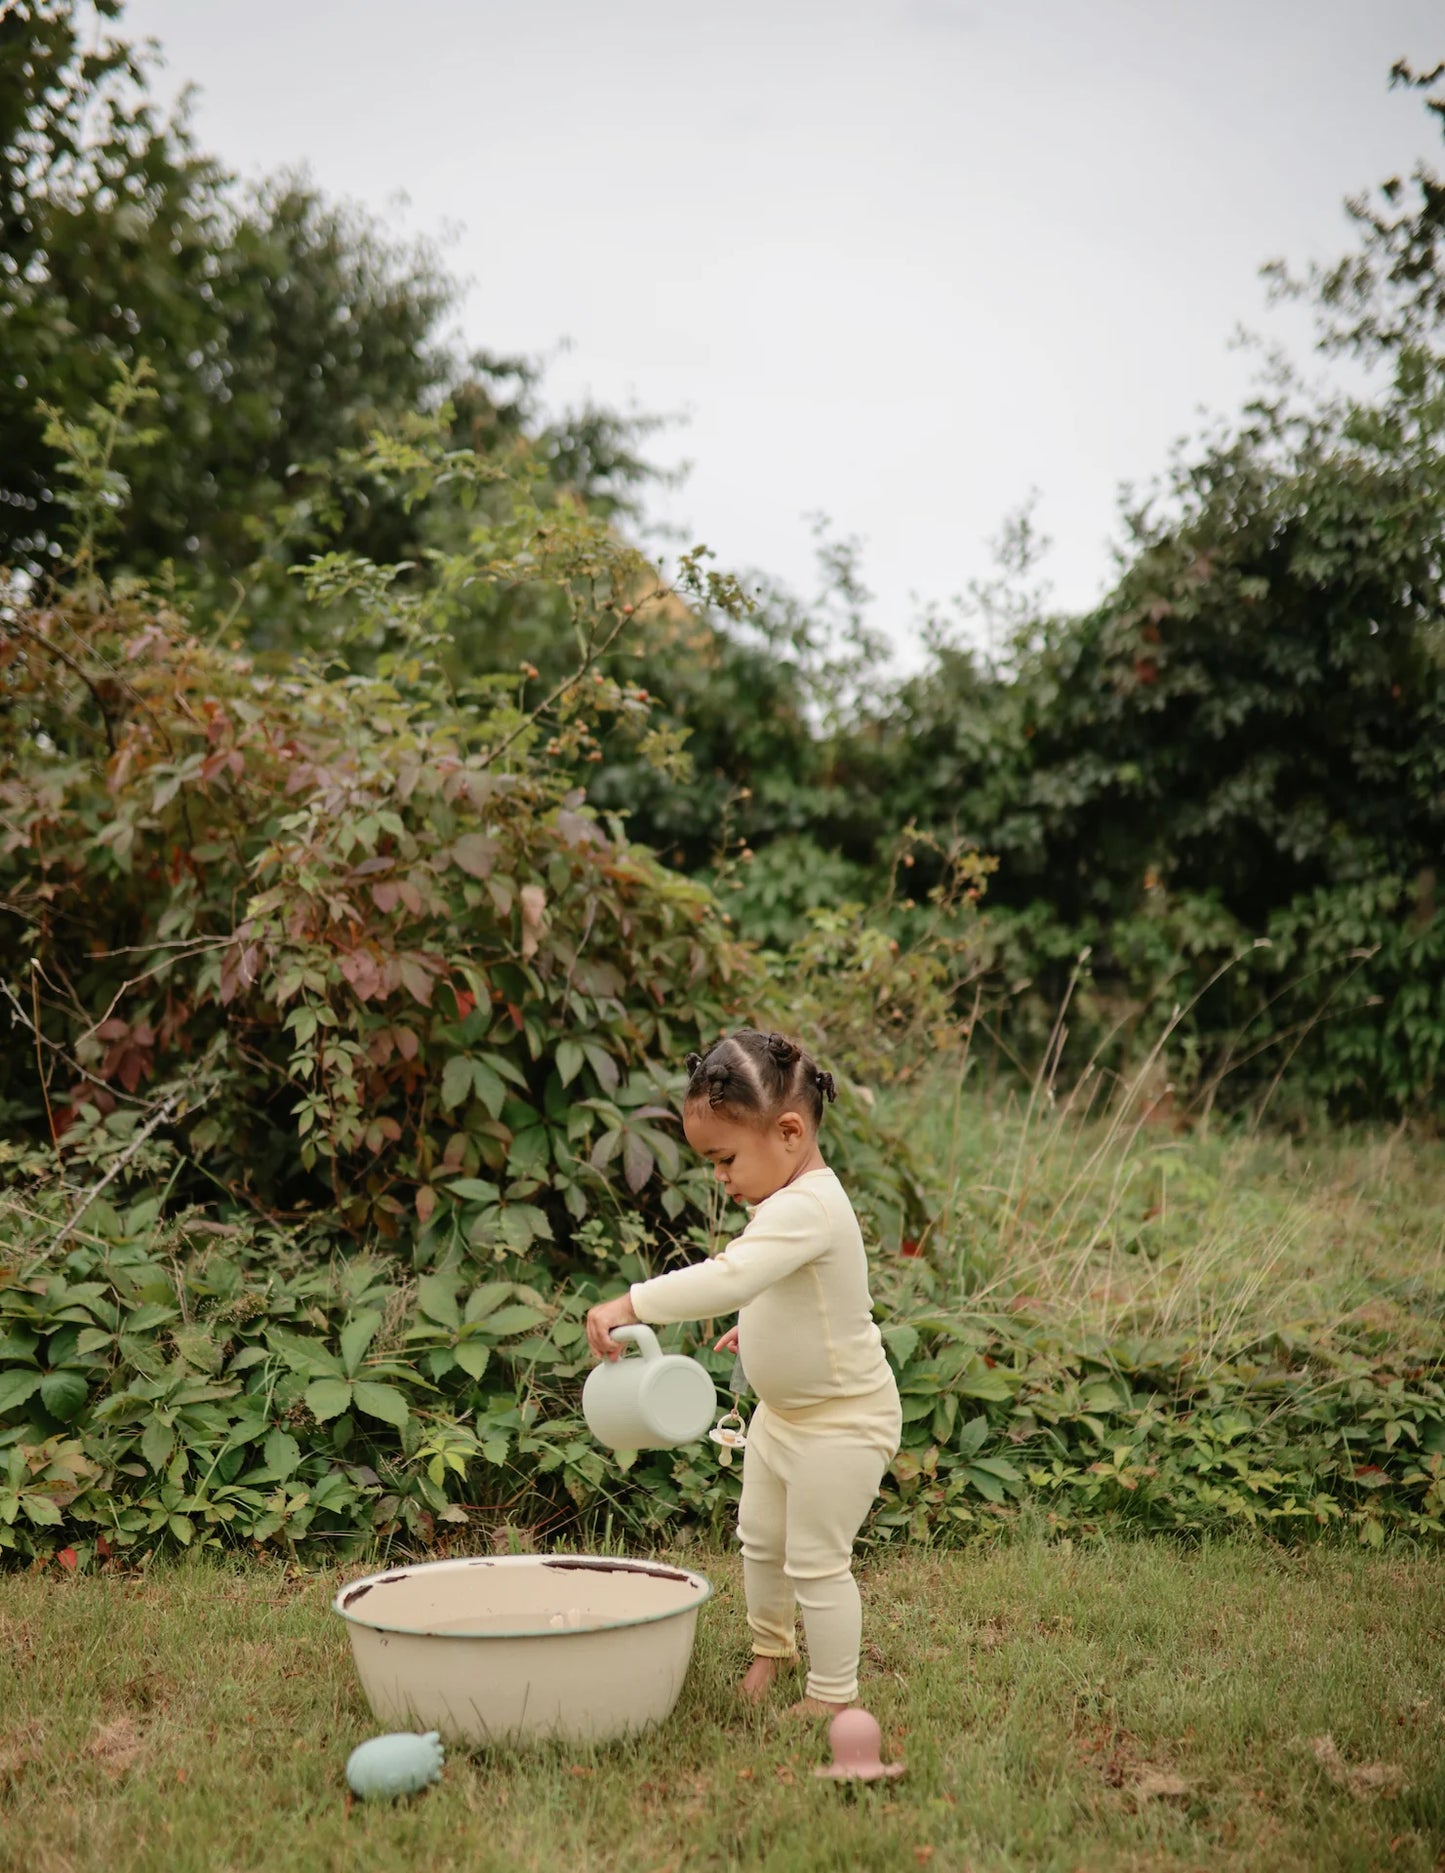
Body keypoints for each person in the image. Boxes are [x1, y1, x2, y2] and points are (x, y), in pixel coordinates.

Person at [584, 1028, 902, 1717]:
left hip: (842, 1419)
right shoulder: (784, 1205)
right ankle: (771, 1648)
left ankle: (831, 1694)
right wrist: (757, 1325)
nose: (720, 1177)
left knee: (816, 1559)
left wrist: (631, 1302)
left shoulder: (807, 1205)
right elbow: (785, 1286)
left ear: (788, 1132)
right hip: (783, 1417)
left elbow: (733, 1273)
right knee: (760, 1538)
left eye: (724, 1159)